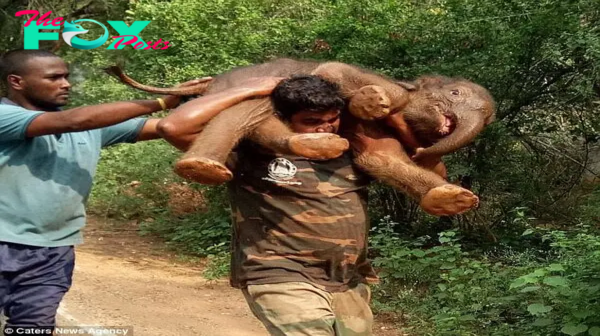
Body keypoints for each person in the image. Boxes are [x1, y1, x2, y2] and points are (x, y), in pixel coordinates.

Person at [0, 49, 280, 333]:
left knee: (32, 326)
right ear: (16, 82)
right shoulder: (6, 116)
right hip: (2, 242)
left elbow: (170, 127)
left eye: (67, 76)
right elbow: (75, 120)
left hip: (53, 250)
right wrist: (160, 101)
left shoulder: (89, 128)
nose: (66, 83)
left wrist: (228, 98)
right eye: (54, 78)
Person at [161, 74, 379, 335]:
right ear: (282, 119)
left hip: (346, 280)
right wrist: (249, 88)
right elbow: (174, 128)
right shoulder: (249, 151)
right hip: (279, 273)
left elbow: (423, 165)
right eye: (311, 122)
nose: (325, 128)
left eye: (332, 119)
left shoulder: (351, 150)